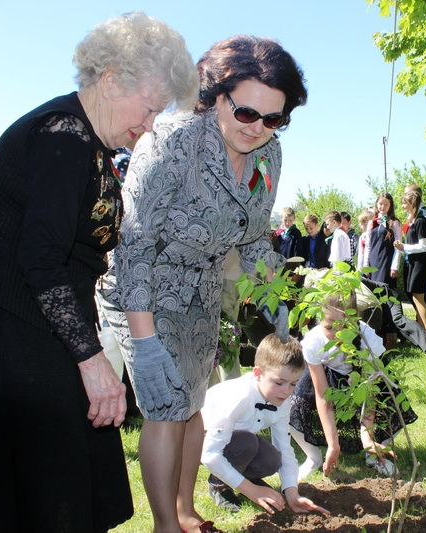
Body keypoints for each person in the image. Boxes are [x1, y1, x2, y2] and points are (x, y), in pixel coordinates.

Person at [0, 12, 197, 532]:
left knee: (65, 469)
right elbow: (41, 258)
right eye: (149, 108)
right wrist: (92, 359)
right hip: (3, 320)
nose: (149, 124)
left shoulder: (94, 143)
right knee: (33, 476)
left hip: (41, 314)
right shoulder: (63, 136)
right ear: (110, 80)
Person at [98, 34, 307, 533]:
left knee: (192, 406)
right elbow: (135, 245)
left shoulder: (268, 156)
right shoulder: (171, 141)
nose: (259, 129)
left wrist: (277, 299)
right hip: (143, 293)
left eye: (275, 118)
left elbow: (255, 236)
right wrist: (144, 343)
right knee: (166, 411)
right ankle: (165, 526)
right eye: (248, 113)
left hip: (202, 295)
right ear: (216, 95)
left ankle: (187, 512)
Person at [289, 292, 418, 480]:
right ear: (319, 320)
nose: (337, 334)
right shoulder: (313, 342)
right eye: (329, 327)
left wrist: (367, 438)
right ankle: (313, 457)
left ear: (355, 320)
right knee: (290, 404)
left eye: (344, 326)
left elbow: (369, 394)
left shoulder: (368, 339)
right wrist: (333, 444)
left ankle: (374, 456)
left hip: (363, 381)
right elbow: (323, 396)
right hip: (330, 379)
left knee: (391, 402)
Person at [201, 334, 330, 516]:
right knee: (247, 443)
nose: (286, 391)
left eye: (293, 384)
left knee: (272, 459)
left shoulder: (282, 400)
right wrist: (252, 491)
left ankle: (242, 477)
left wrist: (292, 492)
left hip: (237, 440)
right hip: (201, 441)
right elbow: (209, 454)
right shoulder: (238, 397)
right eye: (279, 383)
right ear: (258, 374)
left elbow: (284, 448)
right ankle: (219, 484)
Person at [394, 189, 426, 336]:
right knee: (415, 297)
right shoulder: (414, 221)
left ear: (413, 204)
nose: (403, 206)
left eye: (405, 204)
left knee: (418, 298)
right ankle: (422, 331)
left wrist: (404, 247)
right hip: (413, 262)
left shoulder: (421, 221)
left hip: (421, 263)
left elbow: (424, 246)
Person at [363, 192, 402, 290]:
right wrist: (366, 264)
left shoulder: (395, 223)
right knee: (373, 289)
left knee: (384, 289)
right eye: (380, 204)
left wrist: (394, 266)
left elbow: (398, 246)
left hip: (386, 261)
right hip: (373, 261)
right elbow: (368, 245)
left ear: (390, 206)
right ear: (376, 204)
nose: (383, 207)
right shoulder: (372, 222)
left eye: (386, 204)